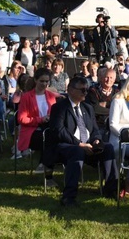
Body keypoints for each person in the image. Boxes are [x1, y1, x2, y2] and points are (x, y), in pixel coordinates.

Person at [44, 76, 118, 205]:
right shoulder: (59, 107)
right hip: (65, 147)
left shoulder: (87, 108)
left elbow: (95, 130)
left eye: (87, 90)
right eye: (82, 90)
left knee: (108, 148)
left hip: (87, 145)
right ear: (70, 90)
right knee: (77, 151)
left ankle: (111, 190)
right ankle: (69, 197)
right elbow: (59, 131)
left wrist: (96, 141)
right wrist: (79, 144)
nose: (85, 93)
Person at [16, 68, 58, 163]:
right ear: (35, 80)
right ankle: (45, 163)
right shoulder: (26, 97)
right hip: (31, 132)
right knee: (48, 137)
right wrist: (40, 120)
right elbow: (21, 119)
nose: (44, 84)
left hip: (47, 127)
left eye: (46, 81)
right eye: (41, 81)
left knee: (57, 135)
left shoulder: (51, 96)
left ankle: (49, 163)